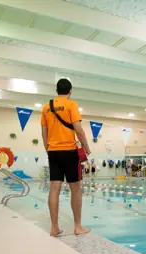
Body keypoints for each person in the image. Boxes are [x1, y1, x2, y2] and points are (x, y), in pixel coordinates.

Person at [41, 78, 91, 237]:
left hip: (53, 151)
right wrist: (86, 147)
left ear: (57, 90)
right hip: (69, 150)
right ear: (70, 90)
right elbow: (78, 128)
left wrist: (48, 150)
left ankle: (54, 227)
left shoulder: (46, 107)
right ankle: (77, 227)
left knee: (54, 188)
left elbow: (44, 132)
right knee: (75, 189)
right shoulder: (71, 105)